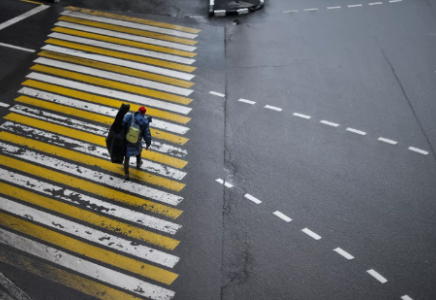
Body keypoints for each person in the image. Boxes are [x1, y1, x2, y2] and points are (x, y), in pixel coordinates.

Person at [123, 107, 152, 180]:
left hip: (127, 139)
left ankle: (126, 174)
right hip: (137, 141)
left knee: (127, 156)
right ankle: (138, 163)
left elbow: (122, 123)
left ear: (138, 111)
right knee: (138, 150)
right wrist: (148, 144)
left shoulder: (130, 116)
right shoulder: (145, 122)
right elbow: (147, 134)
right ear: (144, 113)